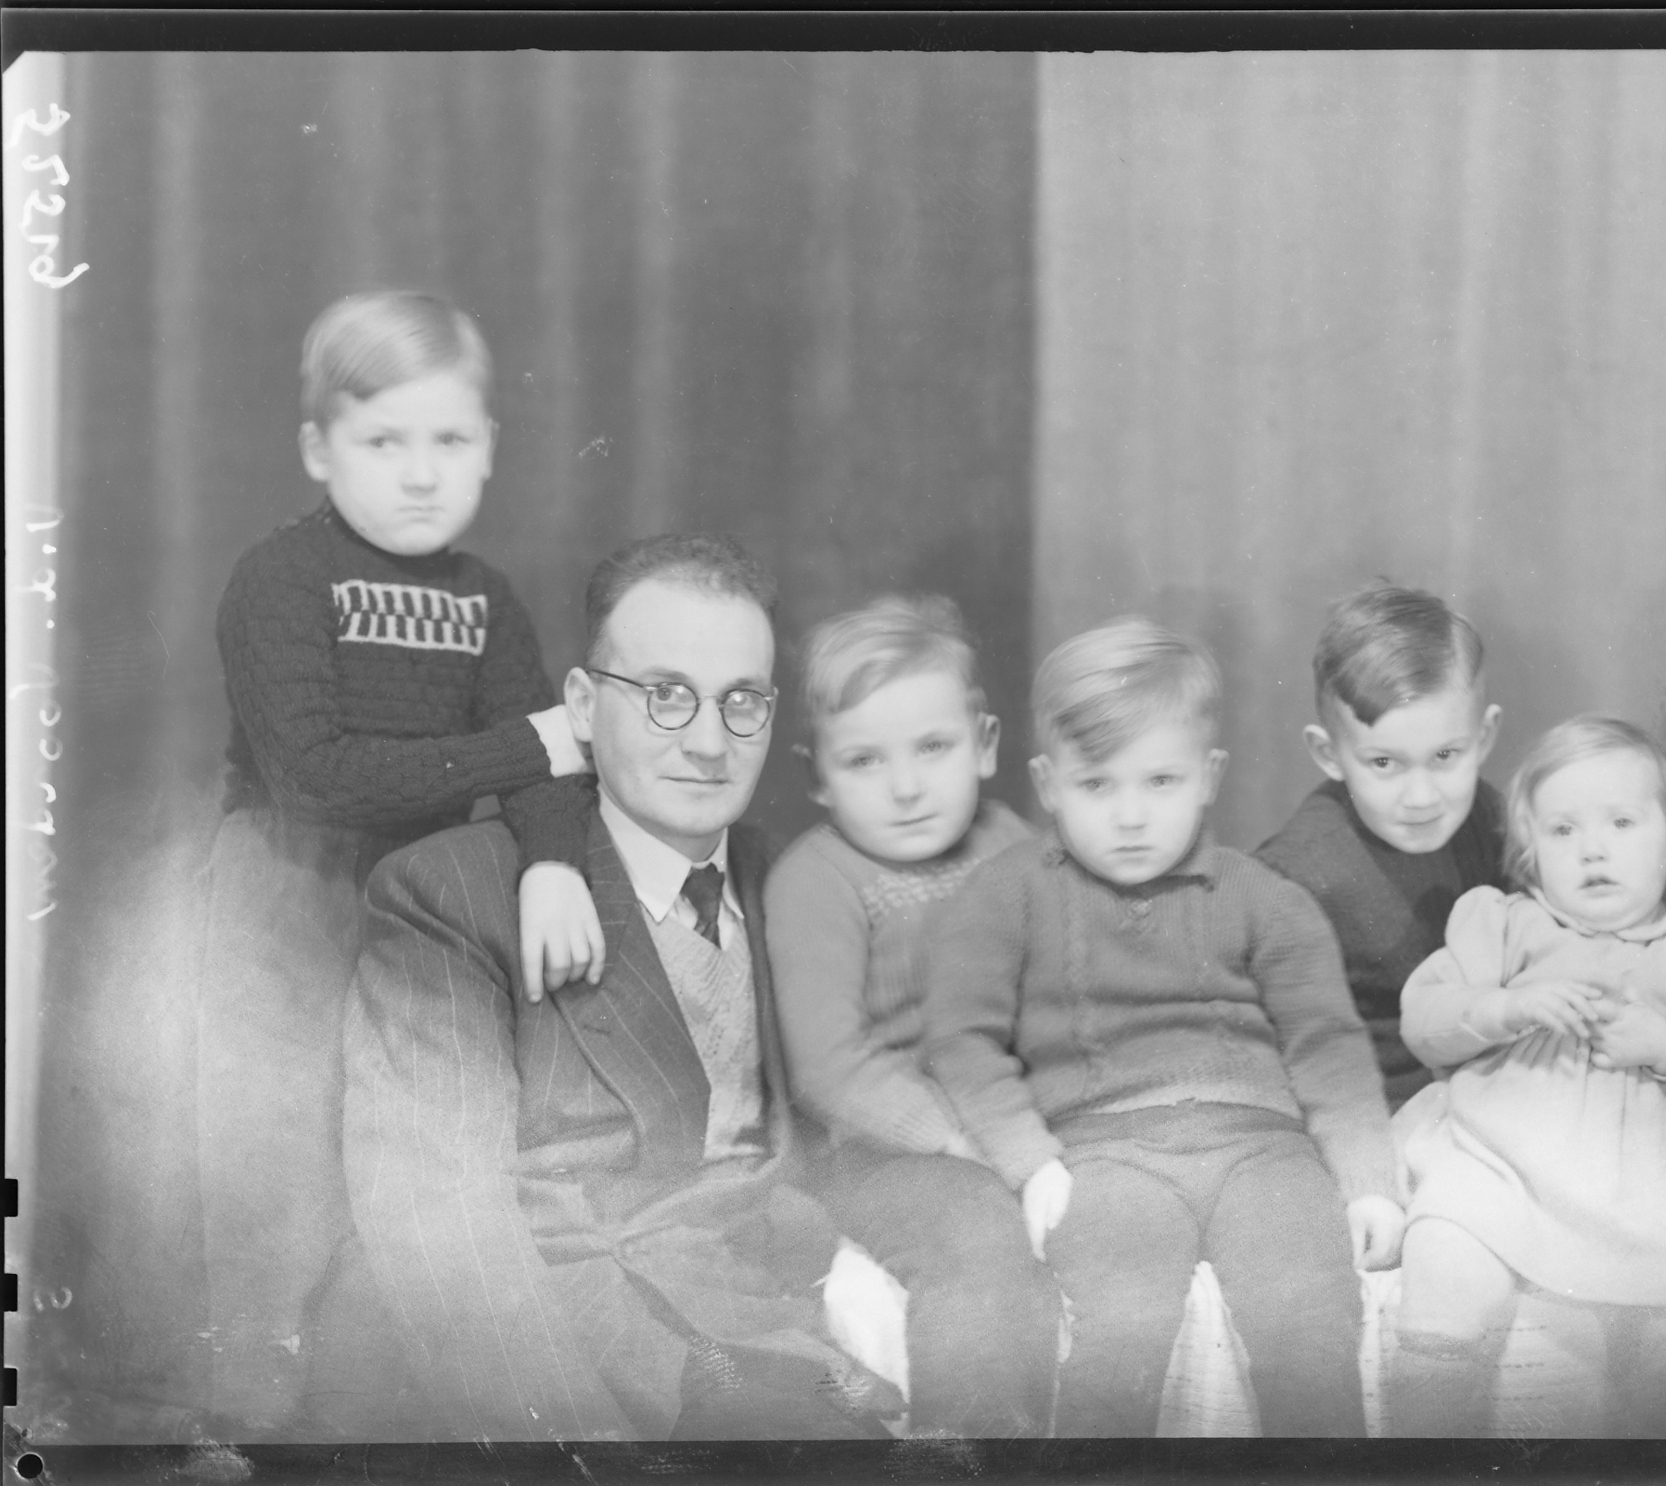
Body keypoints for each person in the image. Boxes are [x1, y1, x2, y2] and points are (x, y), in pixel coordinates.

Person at [341, 534, 901, 1440]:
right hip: (611, 1356)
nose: (710, 743)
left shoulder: (796, 884)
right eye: (665, 695)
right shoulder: (452, 895)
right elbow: (443, 1238)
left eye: (742, 702)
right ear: (582, 704)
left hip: (787, 1321)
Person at [191, 290, 600, 1434]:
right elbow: (315, 777)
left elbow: (549, 770)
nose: (421, 474)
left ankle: (382, 1404)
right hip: (284, 896)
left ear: (489, 448)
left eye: (450, 439)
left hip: (420, 906)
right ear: (319, 449)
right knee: (273, 1158)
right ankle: (255, 1413)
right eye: (383, 442)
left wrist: (551, 864)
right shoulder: (280, 580)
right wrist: (529, 747)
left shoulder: (487, 603)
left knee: (417, 1150)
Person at [923, 618, 1406, 1438]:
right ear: (1047, 783)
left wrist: (1367, 1181)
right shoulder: (1006, 896)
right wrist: (1028, 1161)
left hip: (1262, 1150)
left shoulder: (1265, 898)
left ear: (1208, 776)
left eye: (1160, 781)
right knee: (1122, 1323)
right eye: (1096, 784)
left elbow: (1327, 1046)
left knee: (1309, 1318)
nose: (1130, 816)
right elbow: (961, 1041)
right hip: (1105, 1156)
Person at [1394, 717, 1666, 1438]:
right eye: (1562, 831)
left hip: (1645, 1185)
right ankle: (1420, 1447)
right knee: (1446, 1256)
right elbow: (1423, 1021)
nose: (1592, 849)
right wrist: (1505, 1007)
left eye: (1620, 823)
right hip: (1500, 1167)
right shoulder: (1505, 925)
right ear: (1531, 855)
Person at [765, 595, 1064, 1438]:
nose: (905, 788)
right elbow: (830, 1065)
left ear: (984, 744)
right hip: (884, 1154)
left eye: (933, 747)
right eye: (864, 761)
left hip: (1010, 1120)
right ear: (817, 774)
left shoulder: (1014, 845)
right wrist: (961, 1140)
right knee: (977, 1242)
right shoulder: (815, 880)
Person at [1257, 584, 1507, 1111]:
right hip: (1371, 1112)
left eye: (1445, 756)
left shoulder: (1487, 816)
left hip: (1484, 1081)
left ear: (1483, 737)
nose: (1421, 797)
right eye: (1384, 763)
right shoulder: (1295, 878)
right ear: (1328, 753)